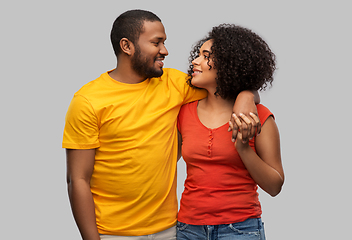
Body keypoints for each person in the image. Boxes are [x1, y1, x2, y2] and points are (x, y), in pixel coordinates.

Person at [63, 10, 260, 240]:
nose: (164, 51)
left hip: (171, 230)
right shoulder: (87, 101)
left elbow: (225, 82)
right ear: (127, 46)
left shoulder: (175, 84)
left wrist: (247, 94)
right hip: (111, 233)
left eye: (164, 42)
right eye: (156, 42)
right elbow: (77, 180)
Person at [176, 24, 284, 240]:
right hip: (188, 229)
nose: (194, 62)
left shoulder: (260, 117)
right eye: (197, 55)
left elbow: (274, 186)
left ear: (229, 65)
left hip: (240, 229)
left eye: (205, 56)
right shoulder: (183, 112)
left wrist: (243, 147)